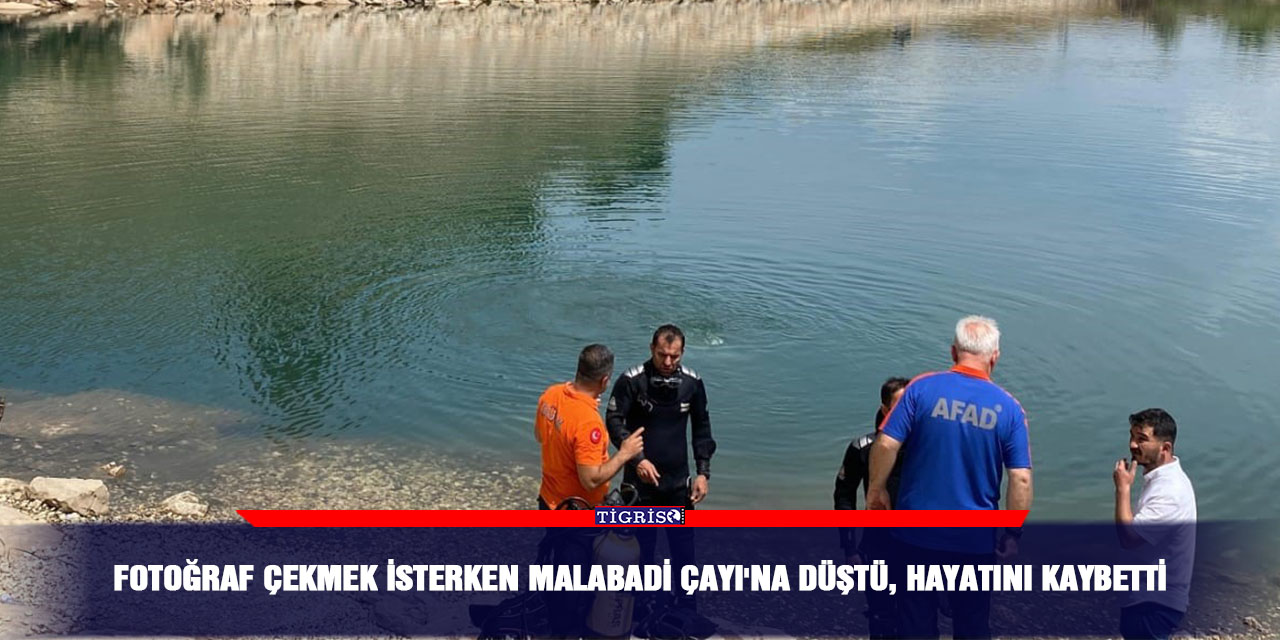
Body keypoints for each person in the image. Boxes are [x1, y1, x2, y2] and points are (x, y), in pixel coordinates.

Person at [867, 315, 1033, 639]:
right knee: (971, 624)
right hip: (974, 541)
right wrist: (1012, 533)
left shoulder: (922, 388)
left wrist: (876, 490)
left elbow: (886, 443)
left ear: (954, 351)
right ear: (995, 357)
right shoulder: (1010, 409)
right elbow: (1021, 479)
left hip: (915, 535)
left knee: (915, 622)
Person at [606, 324, 715, 608]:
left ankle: (686, 606)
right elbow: (614, 422)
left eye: (674, 357)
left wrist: (703, 474)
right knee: (642, 549)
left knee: (683, 550)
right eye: (662, 355)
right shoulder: (633, 381)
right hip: (639, 484)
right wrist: (636, 459)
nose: (668, 363)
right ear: (651, 349)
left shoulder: (692, 383)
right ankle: (640, 606)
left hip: (678, 484)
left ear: (682, 353)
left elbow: (702, 430)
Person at [833, 376, 908, 639]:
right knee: (881, 616)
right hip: (878, 545)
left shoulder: (927, 450)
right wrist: (849, 548)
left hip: (920, 546)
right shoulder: (862, 449)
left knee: (917, 617)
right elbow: (844, 498)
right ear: (885, 409)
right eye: (900, 405)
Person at [1113, 408, 1196, 640]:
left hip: (1155, 602)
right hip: (1151, 598)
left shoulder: (1169, 491)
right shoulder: (1164, 480)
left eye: (1142, 439)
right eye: (1132, 436)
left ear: (1165, 448)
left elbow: (1129, 538)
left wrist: (1122, 489)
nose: (1132, 444)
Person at [536, 343, 645, 510]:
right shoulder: (588, 423)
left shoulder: (551, 394)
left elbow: (540, 435)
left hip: (548, 499)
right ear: (605, 381)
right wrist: (624, 454)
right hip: (575, 509)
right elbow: (590, 481)